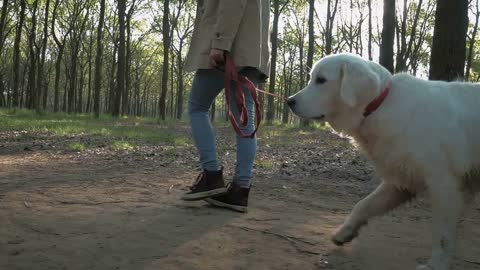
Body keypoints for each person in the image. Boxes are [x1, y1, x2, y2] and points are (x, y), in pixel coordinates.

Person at [181, 0, 270, 213]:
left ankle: (211, 176)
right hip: (252, 52)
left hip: (229, 48)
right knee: (244, 117)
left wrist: (220, 43)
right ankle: (240, 189)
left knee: (197, 107)